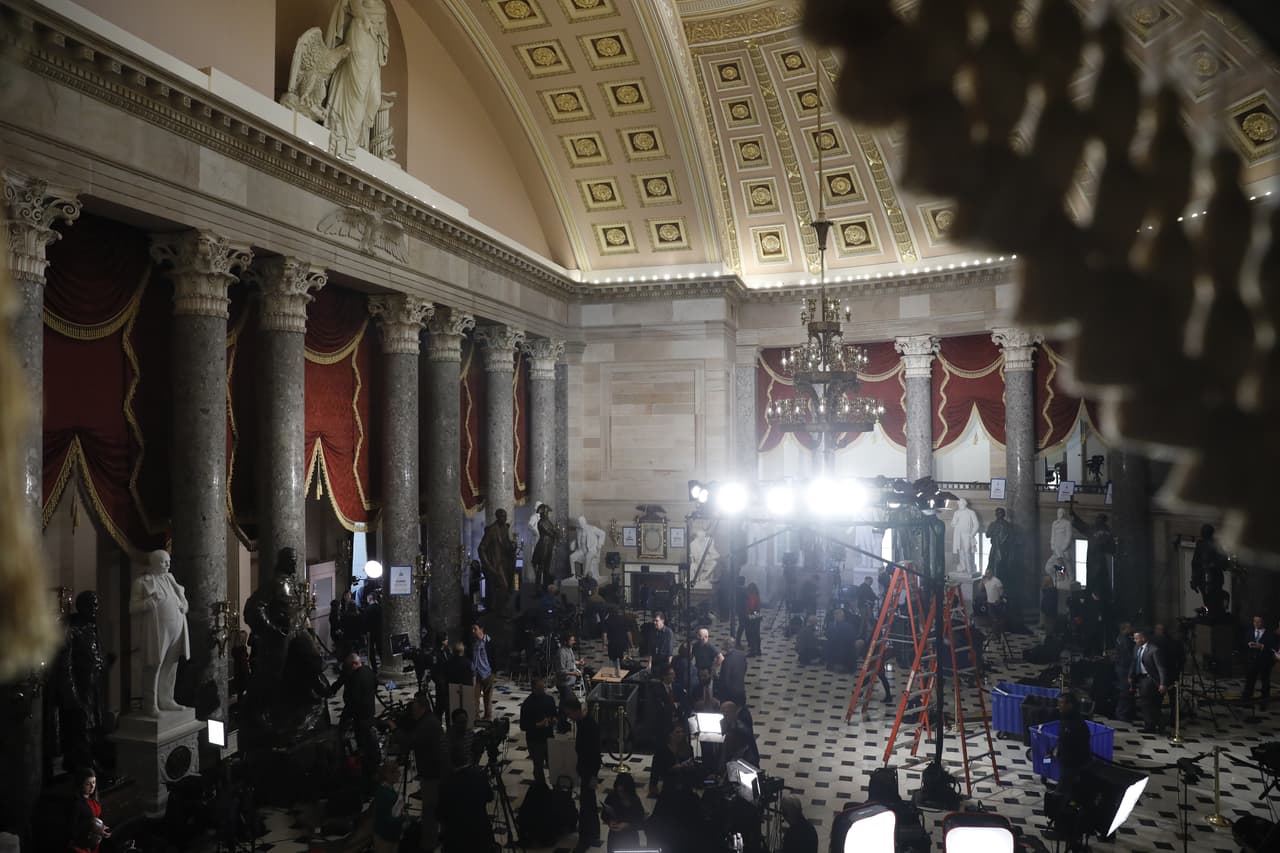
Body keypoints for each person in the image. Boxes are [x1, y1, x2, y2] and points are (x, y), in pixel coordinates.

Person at [130, 549, 190, 717]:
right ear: (154, 562)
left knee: (171, 664)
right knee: (154, 665)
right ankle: (151, 704)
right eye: (164, 562)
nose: (168, 565)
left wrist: (184, 606)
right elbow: (132, 607)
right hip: (157, 630)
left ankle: (167, 699)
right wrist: (149, 603)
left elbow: (183, 599)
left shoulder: (171, 579)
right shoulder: (142, 582)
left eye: (169, 561)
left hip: (177, 628)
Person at [387, 693, 445, 851]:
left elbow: (408, 742)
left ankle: (427, 847)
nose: (412, 713)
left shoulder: (428, 724)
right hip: (432, 772)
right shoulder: (427, 720)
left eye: (414, 709)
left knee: (429, 814)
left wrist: (395, 729)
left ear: (422, 708)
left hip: (433, 775)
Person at [436, 739, 495, 853]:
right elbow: (490, 797)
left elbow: (440, 814)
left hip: (457, 838)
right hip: (480, 833)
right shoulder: (480, 775)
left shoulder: (446, 783)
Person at [330, 652, 380, 776]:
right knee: (369, 740)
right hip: (369, 713)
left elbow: (352, 700)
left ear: (353, 665)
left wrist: (346, 717)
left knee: (362, 743)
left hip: (359, 717)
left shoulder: (355, 678)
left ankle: (363, 770)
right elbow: (375, 685)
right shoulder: (369, 671)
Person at [562, 696, 602, 853]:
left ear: (576, 710)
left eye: (569, 713)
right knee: (589, 801)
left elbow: (594, 753)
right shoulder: (581, 722)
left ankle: (585, 838)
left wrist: (593, 775)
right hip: (585, 768)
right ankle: (594, 831)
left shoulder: (590, 725)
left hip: (589, 770)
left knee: (586, 804)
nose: (568, 717)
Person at [519, 676, 558, 786]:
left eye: (543, 688)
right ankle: (541, 789)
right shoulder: (527, 704)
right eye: (540, 689)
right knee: (538, 766)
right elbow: (523, 725)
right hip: (535, 741)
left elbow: (554, 714)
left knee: (553, 765)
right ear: (533, 689)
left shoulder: (549, 699)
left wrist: (554, 720)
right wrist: (538, 724)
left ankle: (555, 787)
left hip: (548, 738)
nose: (542, 691)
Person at [1053, 692, 1093, 799]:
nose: (1059, 706)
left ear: (1070, 705)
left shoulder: (1075, 722)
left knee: (1061, 790)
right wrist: (1053, 753)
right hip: (1065, 760)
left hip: (1073, 763)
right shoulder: (1064, 719)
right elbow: (1062, 740)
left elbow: (1075, 743)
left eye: (1062, 703)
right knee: (1068, 789)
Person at [1130, 629, 1168, 733]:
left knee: (1151, 704)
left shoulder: (1154, 650)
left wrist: (1162, 683)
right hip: (1141, 679)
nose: (1135, 640)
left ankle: (1159, 725)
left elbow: (1161, 668)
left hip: (1151, 679)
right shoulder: (1137, 648)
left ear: (1143, 638)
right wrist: (1130, 676)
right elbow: (1134, 662)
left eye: (1136, 638)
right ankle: (1149, 725)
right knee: (1145, 703)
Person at [1242, 614, 1278, 709]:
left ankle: (1264, 702)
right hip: (1252, 661)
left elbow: (1274, 649)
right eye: (1255, 621)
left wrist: (1262, 647)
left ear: (1263, 622)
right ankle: (1246, 701)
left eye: (1259, 622)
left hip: (1264, 662)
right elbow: (1243, 644)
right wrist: (1248, 644)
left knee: (1265, 682)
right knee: (1250, 681)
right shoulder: (1249, 632)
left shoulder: (1270, 634)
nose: (1257, 623)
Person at [602, 772, 646, 852]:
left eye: (623, 792)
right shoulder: (612, 797)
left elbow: (641, 823)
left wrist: (627, 825)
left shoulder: (635, 802)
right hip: (614, 837)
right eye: (619, 791)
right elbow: (604, 814)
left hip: (630, 838)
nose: (621, 795)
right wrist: (609, 821)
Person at [69, 767, 109, 853]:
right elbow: (72, 829)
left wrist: (102, 829)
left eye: (94, 782)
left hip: (95, 842)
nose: (92, 786)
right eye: (88, 784)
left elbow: (97, 818)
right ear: (80, 784)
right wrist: (94, 831)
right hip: (83, 845)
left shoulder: (94, 799)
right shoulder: (76, 804)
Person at [1191, 524, 1228, 616]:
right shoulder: (1200, 544)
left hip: (1214, 576)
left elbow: (1224, 559)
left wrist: (1214, 564)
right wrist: (1194, 580)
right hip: (1202, 577)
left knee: (1215, 597)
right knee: (1207, 598)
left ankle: (1217, 612)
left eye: (1206, 532)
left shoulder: (1216, 544)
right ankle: (1210, 613)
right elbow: (1195, 563)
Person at [372, 760, 404, 853]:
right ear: (388, 775)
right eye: (397, 772)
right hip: (385, 836)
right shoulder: (385, 794)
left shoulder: (386, 790)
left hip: (388, 835)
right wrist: (403, 818)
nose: (400, 774)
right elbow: (385, 819)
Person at [470, 623, 495, 721]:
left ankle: (488, 717)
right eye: (472, 629)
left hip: (488, 673)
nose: (473, 631)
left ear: (481, 629)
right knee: (474, 698)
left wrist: (493, 672)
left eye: (475, 629)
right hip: (476, 674)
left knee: (488, 697)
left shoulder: (489, 642)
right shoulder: (473, 642)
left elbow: (494, 657)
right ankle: (476, 717)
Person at [1113, 621, 1136, 723]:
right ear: (1124, 629)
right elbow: (1127, 655)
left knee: (1128, 690)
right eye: (1129, 628)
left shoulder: (1123, 638)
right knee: (1125, 690)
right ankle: (1121, 713)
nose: (1131, 629)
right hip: (1124, 667)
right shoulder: (1123, 639)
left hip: (1122, 666)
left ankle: (1127, 712)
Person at [951, 497, 982, 575]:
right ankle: (963, 567)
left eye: (960, 504)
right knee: (960, 551)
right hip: (958, 534)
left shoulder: (971, 512)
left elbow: (976, 525)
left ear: (964, 504)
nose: (959, 505)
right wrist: (955, 521)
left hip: (967, 535)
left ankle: (969, 568)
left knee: (967, 551)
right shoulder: (956, 513)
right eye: (958, 504)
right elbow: (952, 524)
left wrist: (972, 534)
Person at [444, 641, 474, 718]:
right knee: (467, 711)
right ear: (463, 651)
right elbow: (472, 676)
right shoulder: (468, 663)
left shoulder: (448, 662)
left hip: (452, 688)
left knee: (453, 710)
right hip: (466, 688)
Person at [716, 638, 748, 706]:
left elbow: (725, 679)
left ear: (727, 646)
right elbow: (745, 668)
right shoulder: (742, 655)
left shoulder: (727, 660)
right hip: (741, 689)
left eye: (724, 645)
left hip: (731, 694)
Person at [603, 607, 632, 675]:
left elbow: (604, 634)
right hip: (623, 643)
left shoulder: (607, 621)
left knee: (615, 661)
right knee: (623, 661)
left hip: (612, 645)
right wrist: (631, 643)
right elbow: (628, 632)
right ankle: (623, 674)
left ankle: (617, 673)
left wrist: (604, 644)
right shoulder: (624, 619)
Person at [743, 582, 763, 656]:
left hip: (751, 616)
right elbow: (758, 607)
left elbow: (750, 608)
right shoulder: (757, 595)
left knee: (750, 634)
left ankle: (753, 651)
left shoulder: (751, 597)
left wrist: (748, 614)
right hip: (757, 615)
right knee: (757, 634)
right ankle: (758, 650)